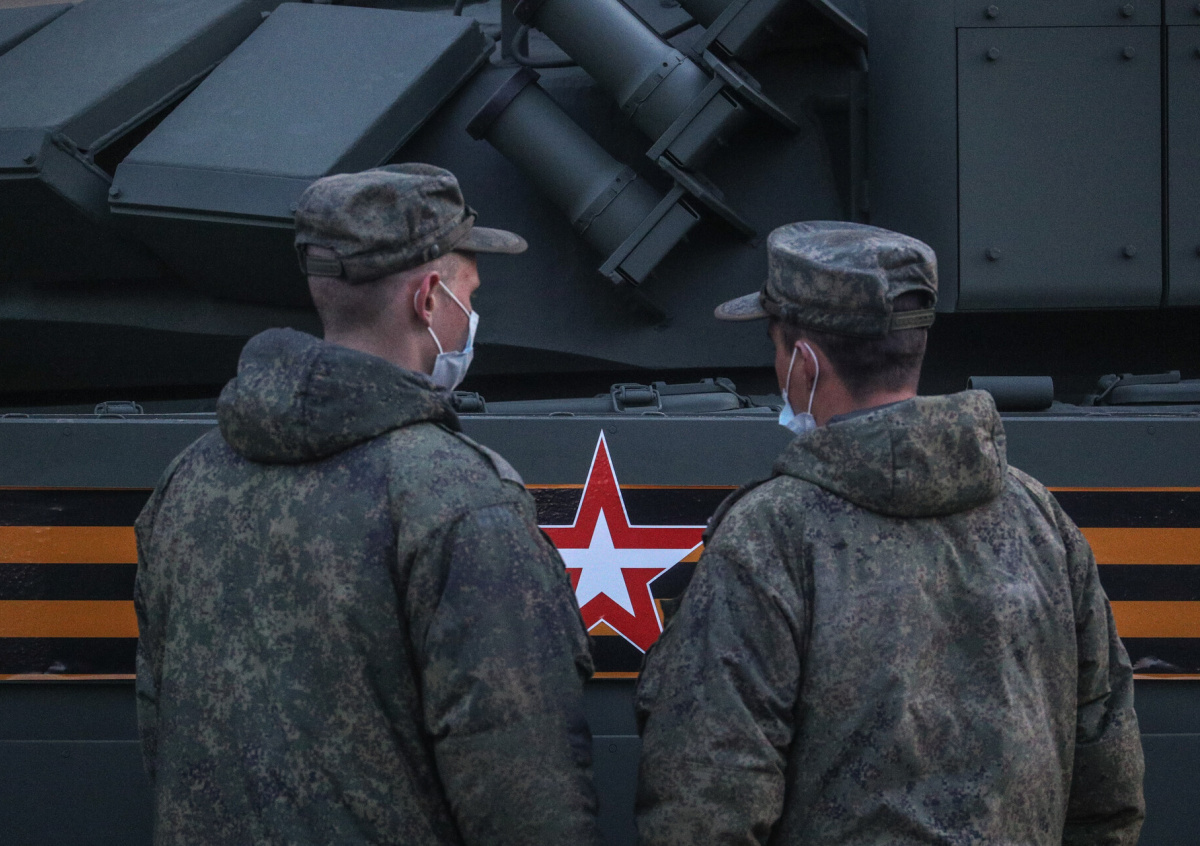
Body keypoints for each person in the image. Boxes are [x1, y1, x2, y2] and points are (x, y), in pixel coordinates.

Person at [134, 164, 602, 846]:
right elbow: (523, 789)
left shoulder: (189, 479)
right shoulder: (458, 498)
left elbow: (162, 724)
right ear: (428, 297)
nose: (472, 314)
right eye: (469, 292)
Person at [635, 221, 1145, 845]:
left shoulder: (769, 536)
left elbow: (706, 801)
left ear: (803, 363)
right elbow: (1107, 781)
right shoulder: (1040, 519)